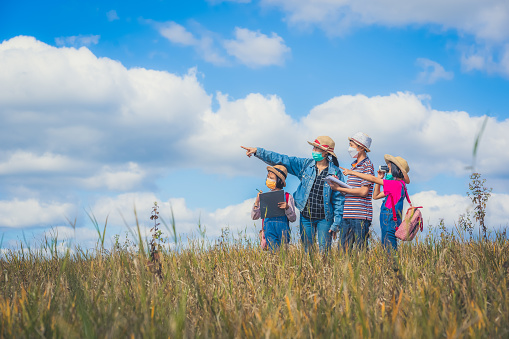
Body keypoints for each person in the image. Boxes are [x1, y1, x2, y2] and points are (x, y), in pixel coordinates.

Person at [242, 136, 345, 253]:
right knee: (307, 251)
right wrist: (258, 152)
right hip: (306, 216)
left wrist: (336, 223)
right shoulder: (305, 165)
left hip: (325, 218)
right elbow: (282, 159)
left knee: (324, 250)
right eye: (314, 148)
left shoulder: (335, 172)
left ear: (326, 153)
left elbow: (339, 200)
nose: (314, 151)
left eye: (317, 149)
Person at [339, 154, 410, 252]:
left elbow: (371, 179)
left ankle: (393, 267)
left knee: (389, 250)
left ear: (397, 171)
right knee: (387, 248)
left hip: (389, 222)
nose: (387, 172)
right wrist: (380, 179)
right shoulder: (399, 185)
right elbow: (375, 196)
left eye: (389, 169)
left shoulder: (395, 184)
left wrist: (352, 172)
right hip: (389, 222)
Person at [328, 132, 374, 251]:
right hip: (347, 213)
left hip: (360, 215)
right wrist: (338, 184)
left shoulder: (367, 166)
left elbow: (364, 192)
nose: (350, 148)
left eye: (352, 145)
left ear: (361, 147)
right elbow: (350, 191)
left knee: (360, 250)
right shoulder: (353, 166)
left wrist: (339, 189)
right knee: (343, 251)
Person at [252, 164, 297, 251]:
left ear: (280, 181)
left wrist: (287, 208)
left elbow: (293, 218)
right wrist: (257, 201)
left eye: (272, 178)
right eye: (268, 177)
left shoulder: (288, 197)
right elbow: (254, 216)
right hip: (269, 230)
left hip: (283, 231)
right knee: (273, 254)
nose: (268, 180)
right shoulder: (264, 197)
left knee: (284, 254)